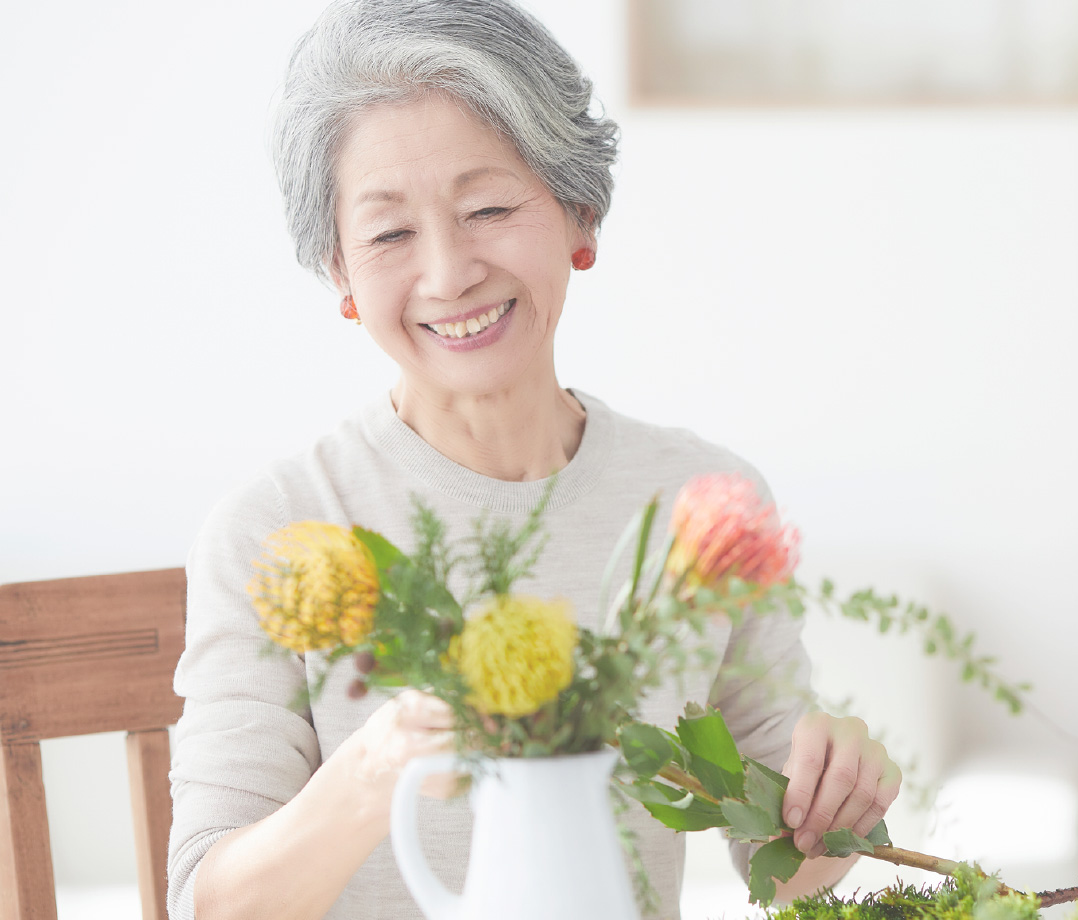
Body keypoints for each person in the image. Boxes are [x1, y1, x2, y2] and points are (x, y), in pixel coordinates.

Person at [166, 2, 901, 919]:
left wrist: (836, 798)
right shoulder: (275, 531)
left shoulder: (702, 505)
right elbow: (213, 902)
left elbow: (784, 864)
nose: (447, 274)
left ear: (578, 213)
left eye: (487, 209)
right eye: (390, 234)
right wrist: (376, 769)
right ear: (341, 277)